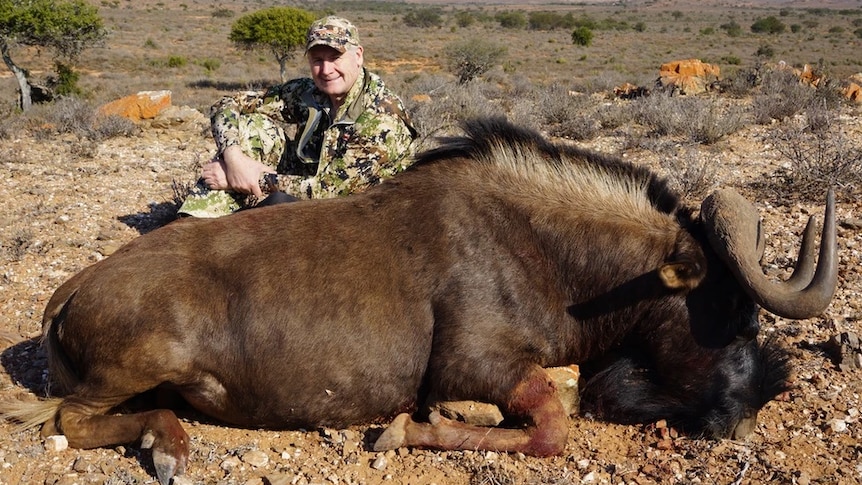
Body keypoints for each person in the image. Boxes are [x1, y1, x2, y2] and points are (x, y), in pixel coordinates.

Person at [177, 16, 418, 217]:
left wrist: (253, 178)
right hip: (310, 188)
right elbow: (227, 103)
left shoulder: (381, 117)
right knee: (253, 126)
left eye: (335, 58)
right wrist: (235, 160)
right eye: (317, 60)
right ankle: (194, 228)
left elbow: (330, 193)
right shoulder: (308, 92)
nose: (326, 70)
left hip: (363, 217)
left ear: (358, 56)